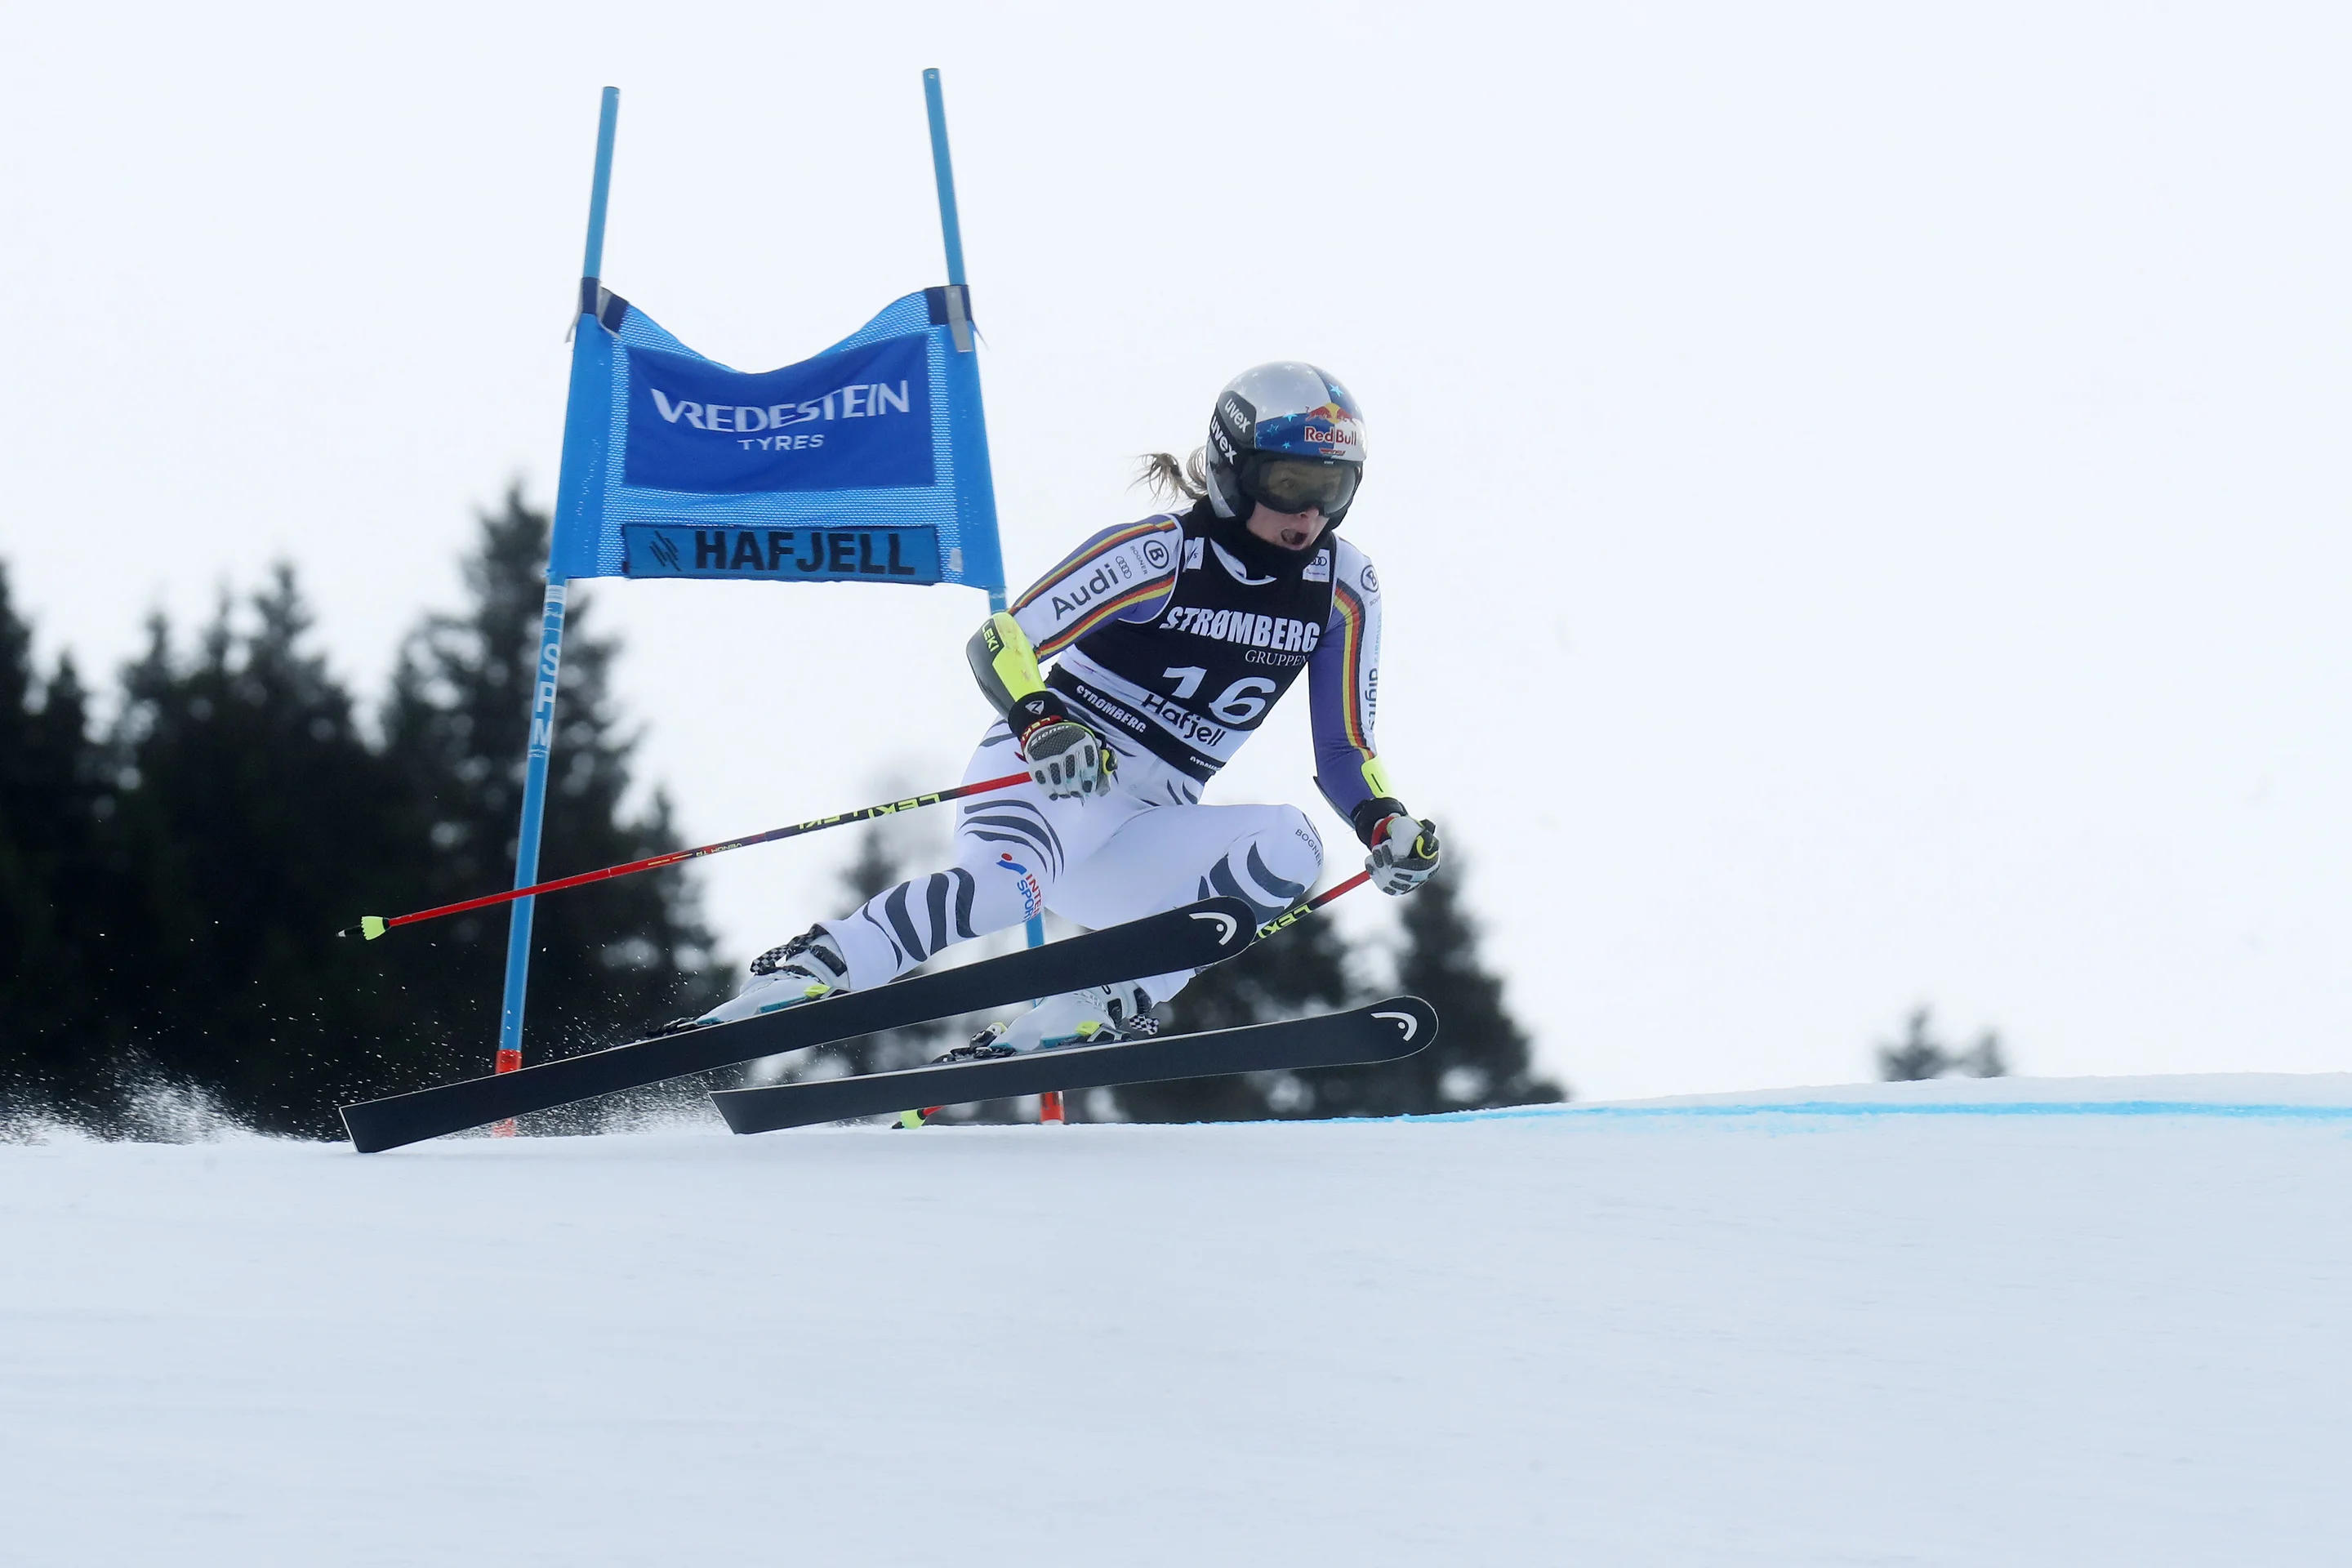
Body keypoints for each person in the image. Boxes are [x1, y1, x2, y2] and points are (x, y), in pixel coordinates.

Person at [683, 362, 1441, 1053]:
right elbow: (1000, 641)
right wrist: (1043, 723)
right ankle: (821, 965)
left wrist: (1383, 821)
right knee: (1009, 889)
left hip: (1143, 824)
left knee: (1292, 846)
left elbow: (1344, 748)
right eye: (1288, 484)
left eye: (1331, 490)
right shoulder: (1158, 555)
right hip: (1051, 777)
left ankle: (1100, 1001)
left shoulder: (1342, 587)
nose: (1307, 516)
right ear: (1231, 470)